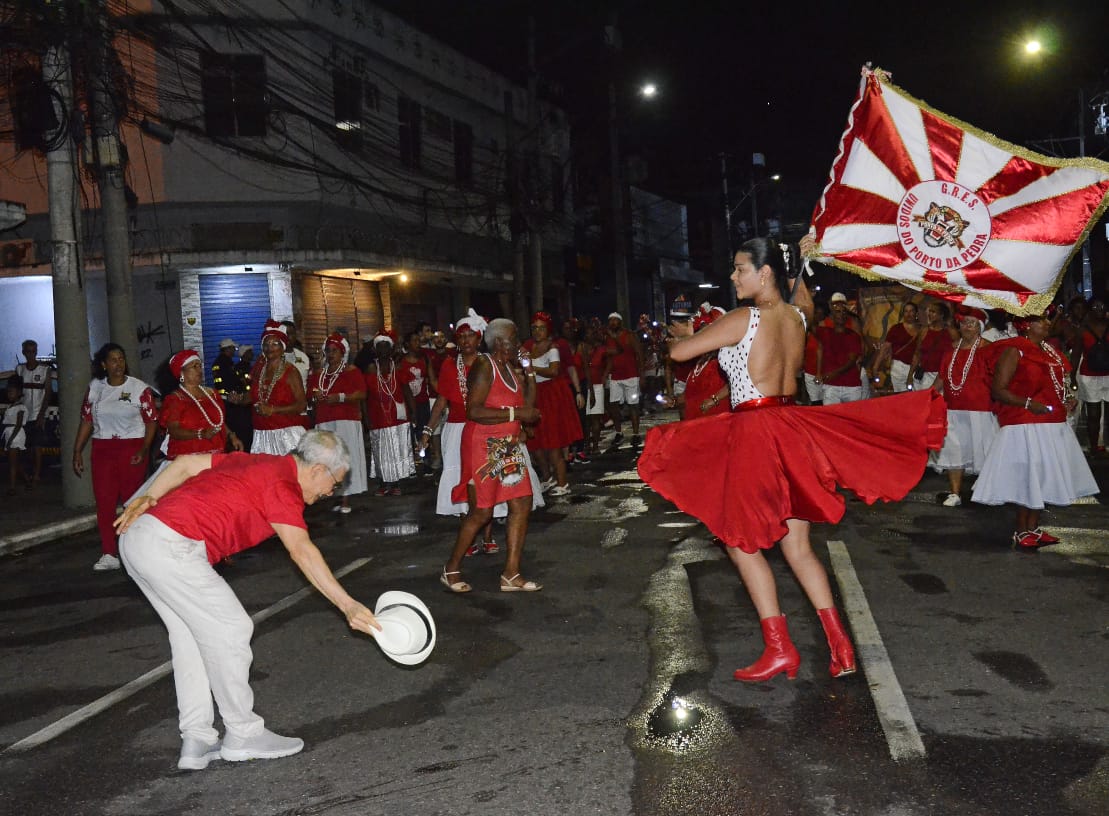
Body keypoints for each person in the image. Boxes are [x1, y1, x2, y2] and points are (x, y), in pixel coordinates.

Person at [638, 237, 945, 683]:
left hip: (754, 433)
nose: (733, 276)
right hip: (790, 427)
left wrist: (690, 334)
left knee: (740, 543)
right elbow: (803, 295)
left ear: (763, 274)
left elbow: (678, 353)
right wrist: (808, 259)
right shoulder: (799, 317)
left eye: (740, 269)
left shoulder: (743, 318)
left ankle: (780, 648)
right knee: (797, 547)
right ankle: (840, 647)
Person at [113, 429, 381, 771]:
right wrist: (348, 605)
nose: (332, 492)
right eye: (335, 483)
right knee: (232, 627)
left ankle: (197, 738)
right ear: (317, 470)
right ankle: (243, 733)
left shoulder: (256, 461)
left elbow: (185, 464)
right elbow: (301, 549)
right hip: (171, 546)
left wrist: (148, 496)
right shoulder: (284, 487)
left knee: (191, 638)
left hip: (140, 539)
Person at [972, 311, 1098, 549]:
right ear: (1027, 326)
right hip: (1025, 424)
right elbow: (999, 390)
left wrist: (1067, 400)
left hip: (1050, 423)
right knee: (1028, 477)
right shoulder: (1014, 350)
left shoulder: (1049, 351)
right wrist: (1029, 404)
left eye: (1047, 320)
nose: (1048, 324)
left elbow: (1057, 385)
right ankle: (1021, 531)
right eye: (1042, 321)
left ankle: (1034, 528)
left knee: (1043, 476)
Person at [441, 317, 543, 593]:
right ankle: (451, 568)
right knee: (482, 512)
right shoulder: (485, 366)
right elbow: (473, 411)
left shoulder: (508, 368)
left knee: (522, 503)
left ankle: (511, 573)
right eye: (514, 338)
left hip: (507, 445)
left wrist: (529, 371)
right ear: (499, 342)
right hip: (482, 446)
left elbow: (528, 407)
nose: (519, 343)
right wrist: (516, 414)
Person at [72, 343, 158, 571]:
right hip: (103, 449)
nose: (118, 364)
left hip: (132, 448)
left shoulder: (139, 388)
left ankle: (136, 551)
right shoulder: (95, 389)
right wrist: (77, 450)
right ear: (104, 364)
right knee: (105, 503)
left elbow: (151, 421)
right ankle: (109, 552)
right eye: (113, 360)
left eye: (121, 359)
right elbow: (87, 420)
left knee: (132, 501)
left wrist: (144, 449)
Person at [930, 308, 998, 507]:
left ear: (980, 328)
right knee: (954, 450)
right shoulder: (951, 350)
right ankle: (955, 493)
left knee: (985, 451)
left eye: (972, 323)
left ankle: (988, 489)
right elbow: (942, 378)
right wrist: (927, 396)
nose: (967, 326)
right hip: (953, 409)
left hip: (982, 410)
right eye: (964, 322)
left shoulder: (989, 349)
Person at [524, 311, 582, 496]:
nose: (538, 331)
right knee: (536, 442)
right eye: (534, 328)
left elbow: (554, 371)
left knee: (554, 442)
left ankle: (563, 482)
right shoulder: (528, 347)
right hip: (535, 394)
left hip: (551, 396)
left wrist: (532, 368)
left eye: (541, 328)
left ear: (547, 330)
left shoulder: (553, 347)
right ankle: (548, 478)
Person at [308, 333, 367, 513]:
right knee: (328, 459)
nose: (331, 354)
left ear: (342, 353)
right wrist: (315, 396)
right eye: (328, 351)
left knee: (345, 458)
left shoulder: (351, 371)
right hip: (325, 421)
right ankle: (334, 494)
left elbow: (362, 394)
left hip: (346, 421)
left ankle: (346, 499)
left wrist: (341, 397)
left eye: (334, 351)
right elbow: (310, 395)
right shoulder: (319, 373)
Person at [161, 350, 243, 460]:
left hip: (215, 455)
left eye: (200, 366)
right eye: (194, 367)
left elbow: (219, 422)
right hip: (187, 459)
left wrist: (232, 436)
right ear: (181, 373)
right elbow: (174, 431)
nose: (199, 370)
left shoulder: (212, 394)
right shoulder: (175, 399)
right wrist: (200, 434)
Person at [364, 329, 415, 495]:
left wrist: (413, 413)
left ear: (391, 349)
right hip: (377, 416)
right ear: (375, 349)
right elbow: (364, 397)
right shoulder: (371, 369)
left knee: (397, 449)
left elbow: (407, 391)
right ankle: (383, 483)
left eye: (386, 346)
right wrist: (366, 418)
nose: (383, 350)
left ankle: (396, 483)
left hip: (397, 417)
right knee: (380, 452)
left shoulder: (398, 367)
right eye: (380, 346)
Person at [251, 321, 308, 455]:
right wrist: (240, 399)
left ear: (282, 347)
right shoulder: (258, 369)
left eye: (274, 344)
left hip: (286, 435)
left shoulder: (291, 371)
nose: (269, 347)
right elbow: (253, 395)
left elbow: (302, 405)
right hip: (261, 435)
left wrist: (273, 410)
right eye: (266, 344)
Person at [15, 339, 56, 488]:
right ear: (24, 352)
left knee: (37, 446)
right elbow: (16, 392)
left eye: (33, 351)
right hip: (23, 415)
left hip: (38, 414)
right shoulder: (20, 369)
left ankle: (36, 476)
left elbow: (48, 393)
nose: (31, 354)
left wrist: (41, 415)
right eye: (28, 351)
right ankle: (26, 474)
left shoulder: (45, 370)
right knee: (23, 447)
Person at [1073, 299, 1109, 455]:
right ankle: (1094, 447)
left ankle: (1102, 445)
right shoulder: (1082, 330)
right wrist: (1072, 375)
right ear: (1090, 310)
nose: (1099, 309)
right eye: (1096, 306)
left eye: (1102, 306)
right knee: (1093, 414)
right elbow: (1076, 353)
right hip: (1089, 376)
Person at [815, 293, 866, 405]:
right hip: (831, 386)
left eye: (844, 312)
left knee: (853, 419)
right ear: (832, 314)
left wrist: (832, 374)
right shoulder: (824, 331)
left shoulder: (853, 335)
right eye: (838, 311)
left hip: (851, 385)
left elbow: (852, 361)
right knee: (831, 420)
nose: (841, 315)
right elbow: (808, 322)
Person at [604, 312, 644, 448]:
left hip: (631, 376)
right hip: (615, 377)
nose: (612, 323)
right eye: (611, 321)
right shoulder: (607, 337)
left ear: (620, 322)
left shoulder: (630, 335)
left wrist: (641, 375)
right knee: (614, 405)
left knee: (633, 405)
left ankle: (636, 434)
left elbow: (639, 354)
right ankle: (619, 432)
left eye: (615, 320)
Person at [212, 339, 252, 452]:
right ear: (227, 349)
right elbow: (230, 381)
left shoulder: (223, 362)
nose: (234, 351)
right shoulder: (225, 363)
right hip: (230, 401)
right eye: (233, 348)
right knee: (237, 428)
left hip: (228, 400)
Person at [910, 301, 958, 391]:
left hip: (942, 377)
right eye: (929, 311)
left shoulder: (952, 332)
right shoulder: (924, 330)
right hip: (923, 375)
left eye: (933, 312)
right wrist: (909, 376)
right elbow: (917, 354)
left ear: (941, 315)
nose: (930, 314)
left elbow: (958, 356)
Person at [878, 302, 921, 394]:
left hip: (918, 368)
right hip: (899, 367)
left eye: (911, 311)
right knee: (902, 397)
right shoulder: (896, 328)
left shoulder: (923, 329)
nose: (909, 314)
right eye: (906, 311)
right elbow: (885, 347)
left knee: (918, 397)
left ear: (916, 313)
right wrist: (875, 366)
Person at [2, 376, 27, 495]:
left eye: (11, 392)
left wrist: (11, 440)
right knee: (15, 462)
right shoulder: (11, 406)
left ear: (19, 393)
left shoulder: (21, 407)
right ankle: (27, 480)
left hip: (15, 435)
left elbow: (18, 425)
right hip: (10, 433)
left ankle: (12, 487)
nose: (9, 394)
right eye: (8, 392)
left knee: (12, 463)